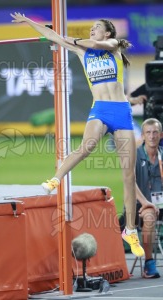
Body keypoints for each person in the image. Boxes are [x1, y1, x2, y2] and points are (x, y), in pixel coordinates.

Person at [11, 12, 145, 257]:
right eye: (92, 27)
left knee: (128, 175)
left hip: (120, 111)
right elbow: (52, 35)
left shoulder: (112, 46)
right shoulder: (82, 53)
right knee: (86, 147)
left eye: (97, 27)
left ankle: (130, 230)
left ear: (108, 33)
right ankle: (55, 179)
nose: (92, 30)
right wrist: (30, 23)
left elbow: (95, 43)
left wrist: (72, 40)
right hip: (100, 110)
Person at [135, 118, 163, 278]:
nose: (152, 136)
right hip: (140, 206)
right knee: (150, 216)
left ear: (161, 135)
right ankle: (149, 263)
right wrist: (146, 203)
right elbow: (129, 183)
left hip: (161, 204)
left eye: (155, 132)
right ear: (143, 136)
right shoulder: (136, 155)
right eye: (148, 132)